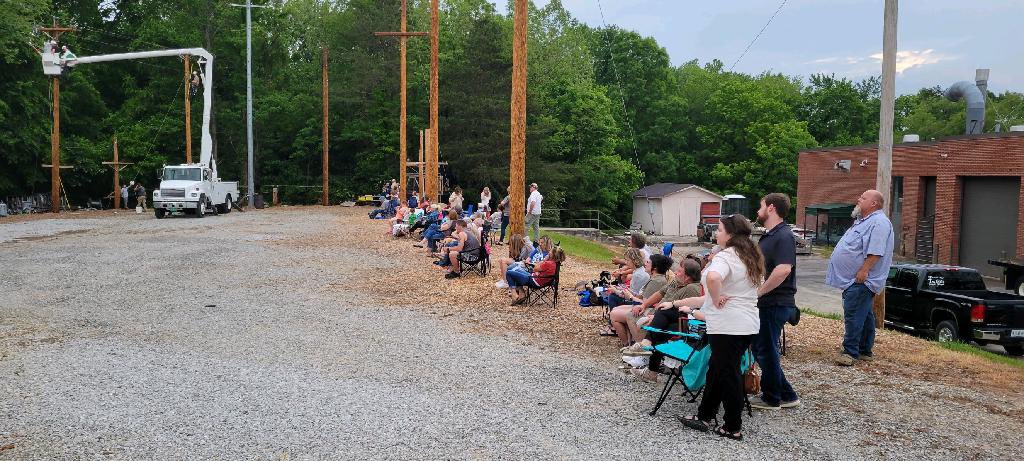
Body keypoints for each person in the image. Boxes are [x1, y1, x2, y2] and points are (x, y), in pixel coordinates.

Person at [674, 214, 764, 441]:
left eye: (721, 230)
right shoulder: (750, 256)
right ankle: (705, 415)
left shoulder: (727, 256)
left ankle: (733, 426)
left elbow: (713, 278)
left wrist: (715, 298)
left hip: (728, 325)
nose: (717, 234)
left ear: (731, 234)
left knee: (729, 373)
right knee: (717, 368)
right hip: (746, 322)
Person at [826, 189, 894, 366]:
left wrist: (864, 270)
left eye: (863, 198)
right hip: (855, 279)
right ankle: (864, 350)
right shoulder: (862, 221)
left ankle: (850, 352)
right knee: (864, 315)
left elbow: (876, 251)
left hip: (862, 279)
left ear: (873, 204)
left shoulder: (879, 222)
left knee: (854, 314)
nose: (858, 199)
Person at [750, 193, 801, 410]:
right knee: (763, 347)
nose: (757, 210)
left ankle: (771, 398)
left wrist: (759, 292)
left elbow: (783, 270)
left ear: (771, 208)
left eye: (760, 205)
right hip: (770, 302)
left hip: (777, 302)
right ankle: (787, 395)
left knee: (765, 349)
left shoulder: (784, 236)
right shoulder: (771, 235)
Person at [623, 258, 704, 383]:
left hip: (687, 325)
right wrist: (644, 306)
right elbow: (660, 293)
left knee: (662, 316)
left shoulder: (692, 288)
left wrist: (655, 317)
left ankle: (645, 353)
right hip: (668, 318)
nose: (676, 273)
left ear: (687, 277)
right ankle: (647, 356)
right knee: (659, 325)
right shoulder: (676, 281)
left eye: (679, 271)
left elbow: (683, 310)